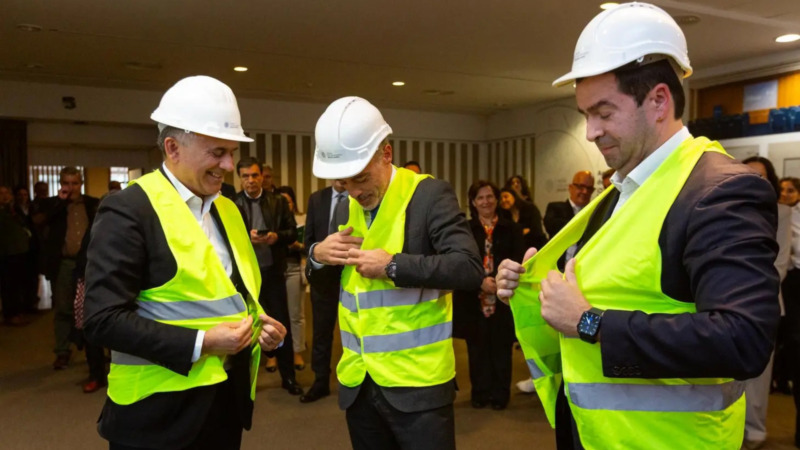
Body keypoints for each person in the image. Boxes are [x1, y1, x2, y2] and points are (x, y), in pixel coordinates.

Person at [496, 3, 779, 449]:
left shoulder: (719, 191)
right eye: (586, 115)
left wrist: (589, 322)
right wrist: (537, 282)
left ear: (659, 101)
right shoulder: (623, 190)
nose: (590, 132)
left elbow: (743, 340)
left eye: (604, 113)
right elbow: (621, 288)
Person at [83, 75, 287, 450]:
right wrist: (202, 343)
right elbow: (102, 319)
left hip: (224, 405)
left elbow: (226, 293)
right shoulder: (129, 209)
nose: (229, 164)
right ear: (173, 148)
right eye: (217, 152)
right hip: (156, 415)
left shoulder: (229, 210)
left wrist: (259, 324)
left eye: (231, 152)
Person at [308, 96, 483, 450]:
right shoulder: (346, 206)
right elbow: (334, 285)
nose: (354, 192)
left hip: (418, 386)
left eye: (361, 178)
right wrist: (317, 256)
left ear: (386, 154)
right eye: (344, 183)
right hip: (359, 383)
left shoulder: (429, 195)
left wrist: (392, 265)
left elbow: (468, 268)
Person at [234, 157, 303, 396]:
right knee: (244, 327)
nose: (251, 180)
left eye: (255, 175)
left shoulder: (277, 201)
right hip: (244, 277)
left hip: (273, 272)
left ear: (262, 176)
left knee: (280, 323)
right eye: (245, 176)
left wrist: (276, 237)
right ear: (240, 178)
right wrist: (246, 238)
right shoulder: (232, 204)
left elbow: (292, 231)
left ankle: (289, 378)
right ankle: (243, 382)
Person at [453, 180, 524, 410]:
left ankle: (500, 394)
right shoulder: (465, 229)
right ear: (473, 202)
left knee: (502, 347)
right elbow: (459, 261)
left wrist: (499, 280)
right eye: (480, 198)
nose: (486, 202)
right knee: (477, 348)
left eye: (490, 196)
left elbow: (519, 259)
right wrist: (480, 282)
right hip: (473, 297)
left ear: (497, 199)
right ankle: (480, 393)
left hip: (504, 297)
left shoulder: (511, 228)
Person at [742, 156, 792, 449]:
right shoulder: (727, 205)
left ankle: (755, 431)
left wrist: (745, 288)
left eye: (761, 176)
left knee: (759, 374)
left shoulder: (781, 212)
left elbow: (781, 263)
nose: (754, 180)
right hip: (723, 300)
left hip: (764, 301)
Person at [40, 167, 100, 369]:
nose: (71, 187)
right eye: (66, 183)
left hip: (90, 263)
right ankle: (62, 351)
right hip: (64, 263)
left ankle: (94, 352)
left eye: (74, 183)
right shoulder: (53, 204)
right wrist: (60, 202)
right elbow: (39, 221)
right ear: (61, 184)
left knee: (92, 307)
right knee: (63, 308)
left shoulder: (91, 203)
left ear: (80, 184)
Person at [299, 180, 348, 404]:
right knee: (321, 331)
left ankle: (359, 382)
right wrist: (316, 258)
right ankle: (320, 380)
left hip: (354, 272)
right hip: (324, 277)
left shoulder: (358, 196)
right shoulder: (317, 199)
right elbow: (308, 239)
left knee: (356, 328)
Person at [276, 185, 308, 371]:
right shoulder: (273, 218)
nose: (284, 205)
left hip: (295, 267)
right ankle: (274, 356)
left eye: (287, 201)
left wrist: (297, 245)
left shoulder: (302, 219)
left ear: (293, 202)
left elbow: (310, 246)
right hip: (275, 269)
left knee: (296, 314)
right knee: (275, 315)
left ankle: (297, 351)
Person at [0, 186, 30, 326]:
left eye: (7, 193)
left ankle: (18, 311)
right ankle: (10, 314)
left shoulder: (14, 210)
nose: (5, 196)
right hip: (6, 253)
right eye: (1, 193)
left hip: (19, 251)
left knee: (18, 283)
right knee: (8, 285)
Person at [543, 170, 594, 239]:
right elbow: (551, 226)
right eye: (581, 187)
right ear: (571, 188)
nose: (585, 191)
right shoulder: (555, 208)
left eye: (589, 189)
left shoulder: (595, 212)